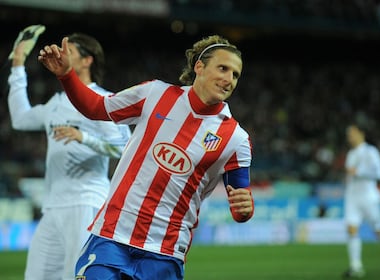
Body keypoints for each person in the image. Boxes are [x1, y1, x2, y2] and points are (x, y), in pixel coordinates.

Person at [38, 34, 255, 280]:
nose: (229, 79)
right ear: (199, 67)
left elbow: (240, 204)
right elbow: (97, 107)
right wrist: (67, 76)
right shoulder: (154, 94)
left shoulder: (236, 139)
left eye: (235, 74)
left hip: (164, 251)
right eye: (223, 68)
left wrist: (245, 208)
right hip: (112, 236)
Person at [7, 26, 131, 280]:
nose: (61, 54)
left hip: (86, 203)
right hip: (52, 207)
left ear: (87, 60)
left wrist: (82, 136)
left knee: (77, 275)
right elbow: (20, 118)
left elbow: (122, 147)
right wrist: (18, 64)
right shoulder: (56, 103)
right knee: (36, 276)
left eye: (70, 51)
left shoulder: (102, 99)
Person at [342, 123, 380, 278]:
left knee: (378, 231)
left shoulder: (371, 152)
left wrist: (359, 172)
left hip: (368, 197)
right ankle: (356, 266)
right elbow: (350, 176)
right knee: (351, 229)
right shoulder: (350, 154)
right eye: (348, 134)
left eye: (352, 133)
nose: (350, 137)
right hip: (352, 197)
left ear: (361, 133)